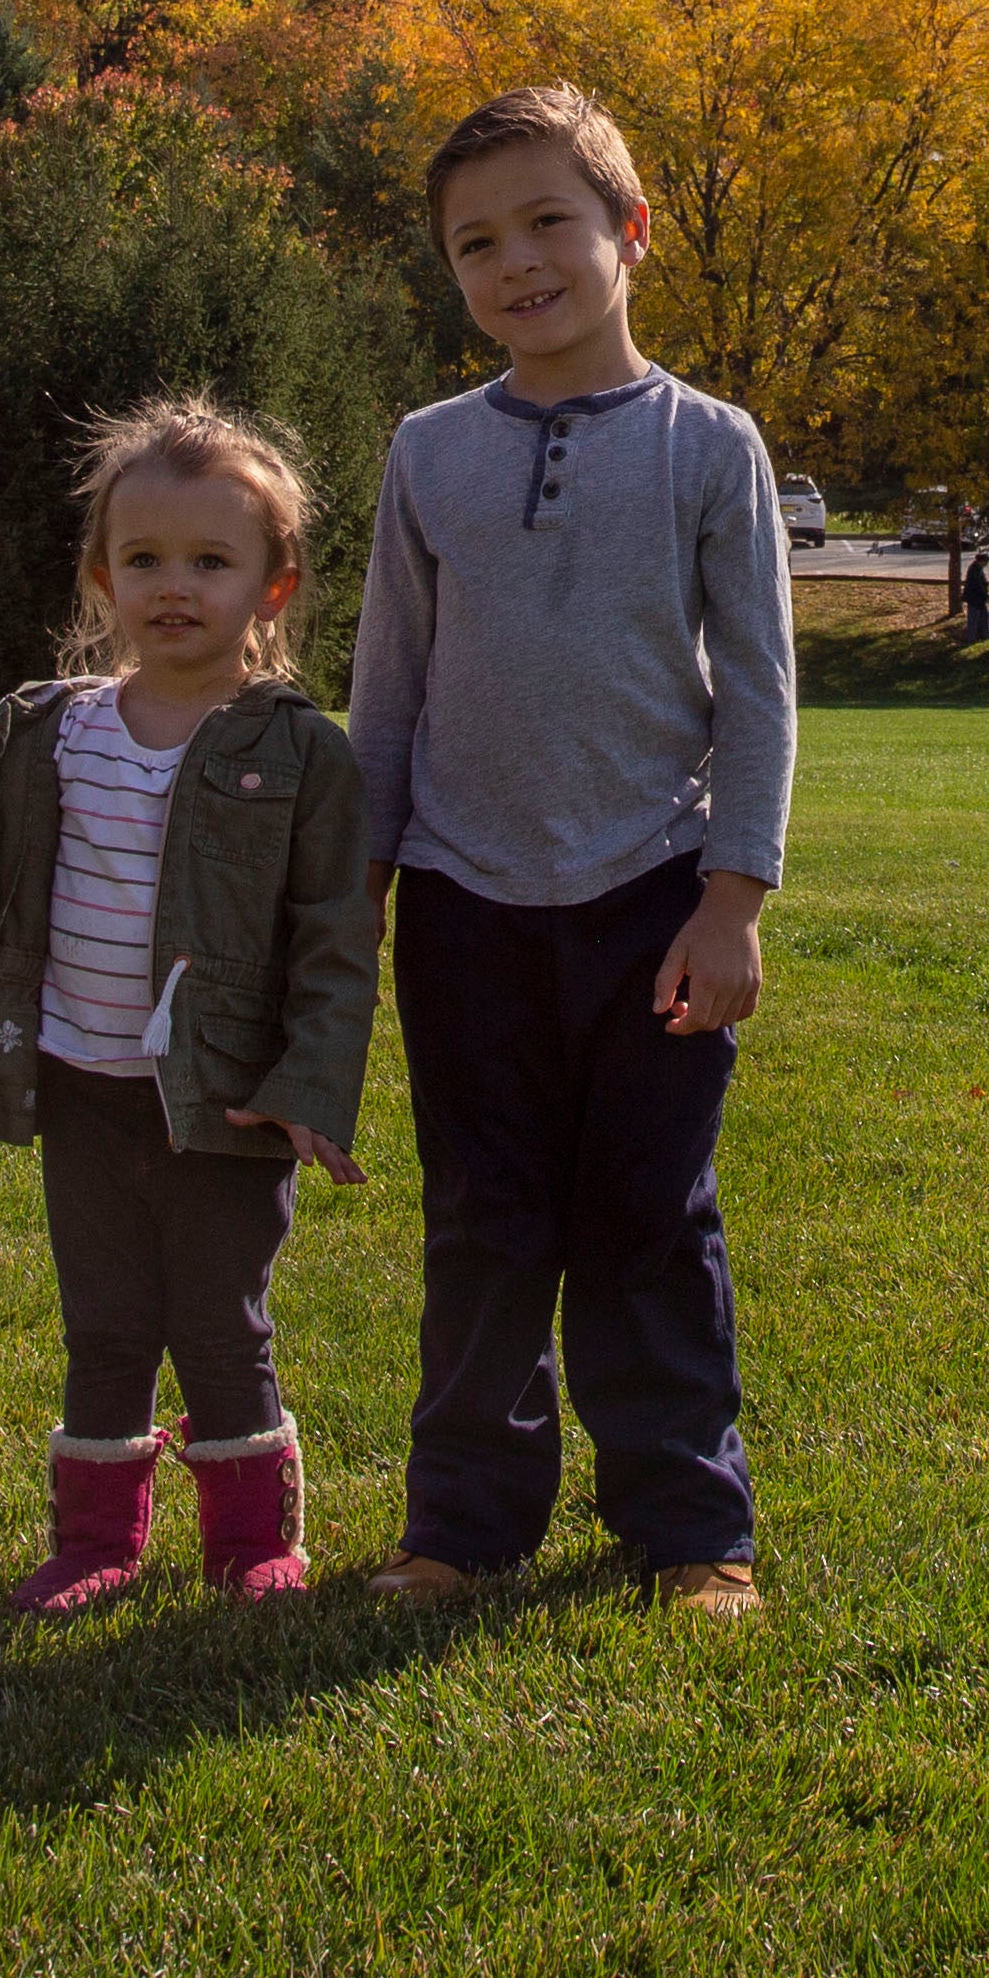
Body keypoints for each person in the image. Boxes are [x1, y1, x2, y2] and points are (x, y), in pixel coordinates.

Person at [348, 81, 796, 1618]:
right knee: (483, 1221)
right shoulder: (428, 453)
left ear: (631, 231)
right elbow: (389, 688)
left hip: (652, 899)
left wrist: (731, 901)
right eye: (476, 242)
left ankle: (690, 1529)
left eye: (549, 221)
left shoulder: (709, 448)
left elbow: (760, 693)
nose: (516, 262)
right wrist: (361, 886)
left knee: (647, 1221)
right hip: (462, 903)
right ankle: (463, 1528)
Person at [0, 397, 376, 1610]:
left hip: (226, 1099)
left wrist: (311, 1087)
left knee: (222, 1320)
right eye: (147, 559)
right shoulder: (47, 735)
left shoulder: (299, 752)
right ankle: (96, 1541)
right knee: (106, 1319)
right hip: (81, 1086)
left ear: (273, 588)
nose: (177, 587)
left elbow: (336, 940)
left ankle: (251, 1543)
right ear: (101, 575)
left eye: (213, 562)